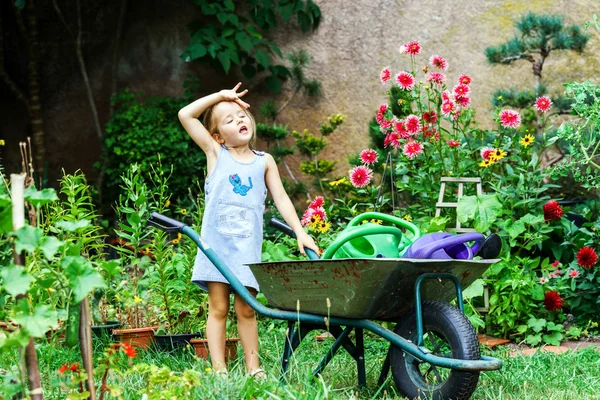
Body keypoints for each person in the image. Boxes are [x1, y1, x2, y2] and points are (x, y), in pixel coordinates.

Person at [178, 82, 319, 379]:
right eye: (229, 120)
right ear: (217, 135)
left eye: (241, 115)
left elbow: (280, 197)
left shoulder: (264, 162)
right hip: (216, 248)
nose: (239, 120)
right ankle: (219, 370)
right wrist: (220, 96)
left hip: (246, 251)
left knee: (247, 309)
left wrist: (299, 231)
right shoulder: (216, 153)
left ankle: (254, 368)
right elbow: (186, 115)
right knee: (218, 308)